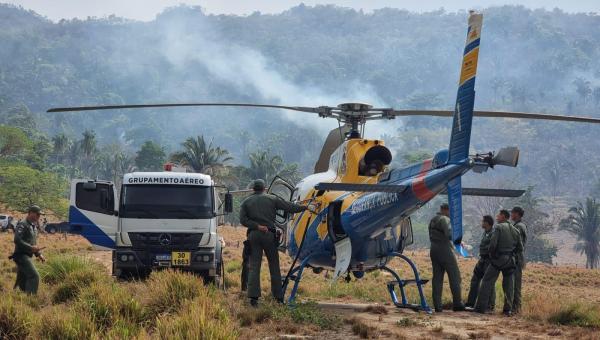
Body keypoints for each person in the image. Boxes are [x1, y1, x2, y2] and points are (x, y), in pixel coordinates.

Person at [239, 179, 309, 307]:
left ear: (253, 189)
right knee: (274, 266)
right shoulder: (272, 199)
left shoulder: (246, 202)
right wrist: (305, 207)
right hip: (269, 236)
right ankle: (278, 297)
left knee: (255, 266)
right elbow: (290, 207)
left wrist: (257, 226)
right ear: (265, 188)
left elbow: (243, 220)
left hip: (254, 235)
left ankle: (254, 299)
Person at [475, 210, 523, 316]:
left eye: (498, 215)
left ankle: (480, 308)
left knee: (487, 281)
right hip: (510, 260)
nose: (497, 217)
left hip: (498, 259)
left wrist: (492, 256)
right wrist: (512, 254)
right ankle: (507, 310)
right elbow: (520, 248)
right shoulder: (516, 230)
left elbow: (493, 244)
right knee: (509, 285)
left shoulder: (499, 227)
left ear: (503, 216)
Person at [428, 203, 464, 312]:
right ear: (446, 210)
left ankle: (437, 306)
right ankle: (457, 303)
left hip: (433, 249)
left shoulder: (433, 220)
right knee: (455, 276)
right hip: (445, 250)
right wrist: (458, 240)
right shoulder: (445, 219)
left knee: (437, 278)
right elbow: (449, 234)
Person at [11, 205, 46, 294]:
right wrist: (31, 248)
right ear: (30, 213)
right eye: (37, 214)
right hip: (21, 255)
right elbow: (17, 240)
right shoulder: (23, 224)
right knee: (34, 276)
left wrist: (39, 254)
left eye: (40, 214)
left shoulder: (33, 227)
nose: (39, 216)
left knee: (22, 279)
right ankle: (31, 299)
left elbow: (33, 243)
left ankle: (19, 295)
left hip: (27, 255)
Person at [465, 215, 496, 311]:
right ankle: (470, 303)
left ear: (487, 223)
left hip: (489, 260)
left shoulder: (493, 233)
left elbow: (493, 246)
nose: (481, 223)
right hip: (482, 259)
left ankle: (490, 305)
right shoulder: (485, 233)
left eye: (483, 221)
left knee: (488, 283)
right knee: (475, 280)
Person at [511, 206, 527, 313]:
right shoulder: (517, 225)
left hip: (516, 259)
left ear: (517, 214)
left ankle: (516, 309)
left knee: (516, 285)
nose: (511, 215)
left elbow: (518, 244)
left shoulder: (519, 227)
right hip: (515, 259)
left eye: (512, 213)